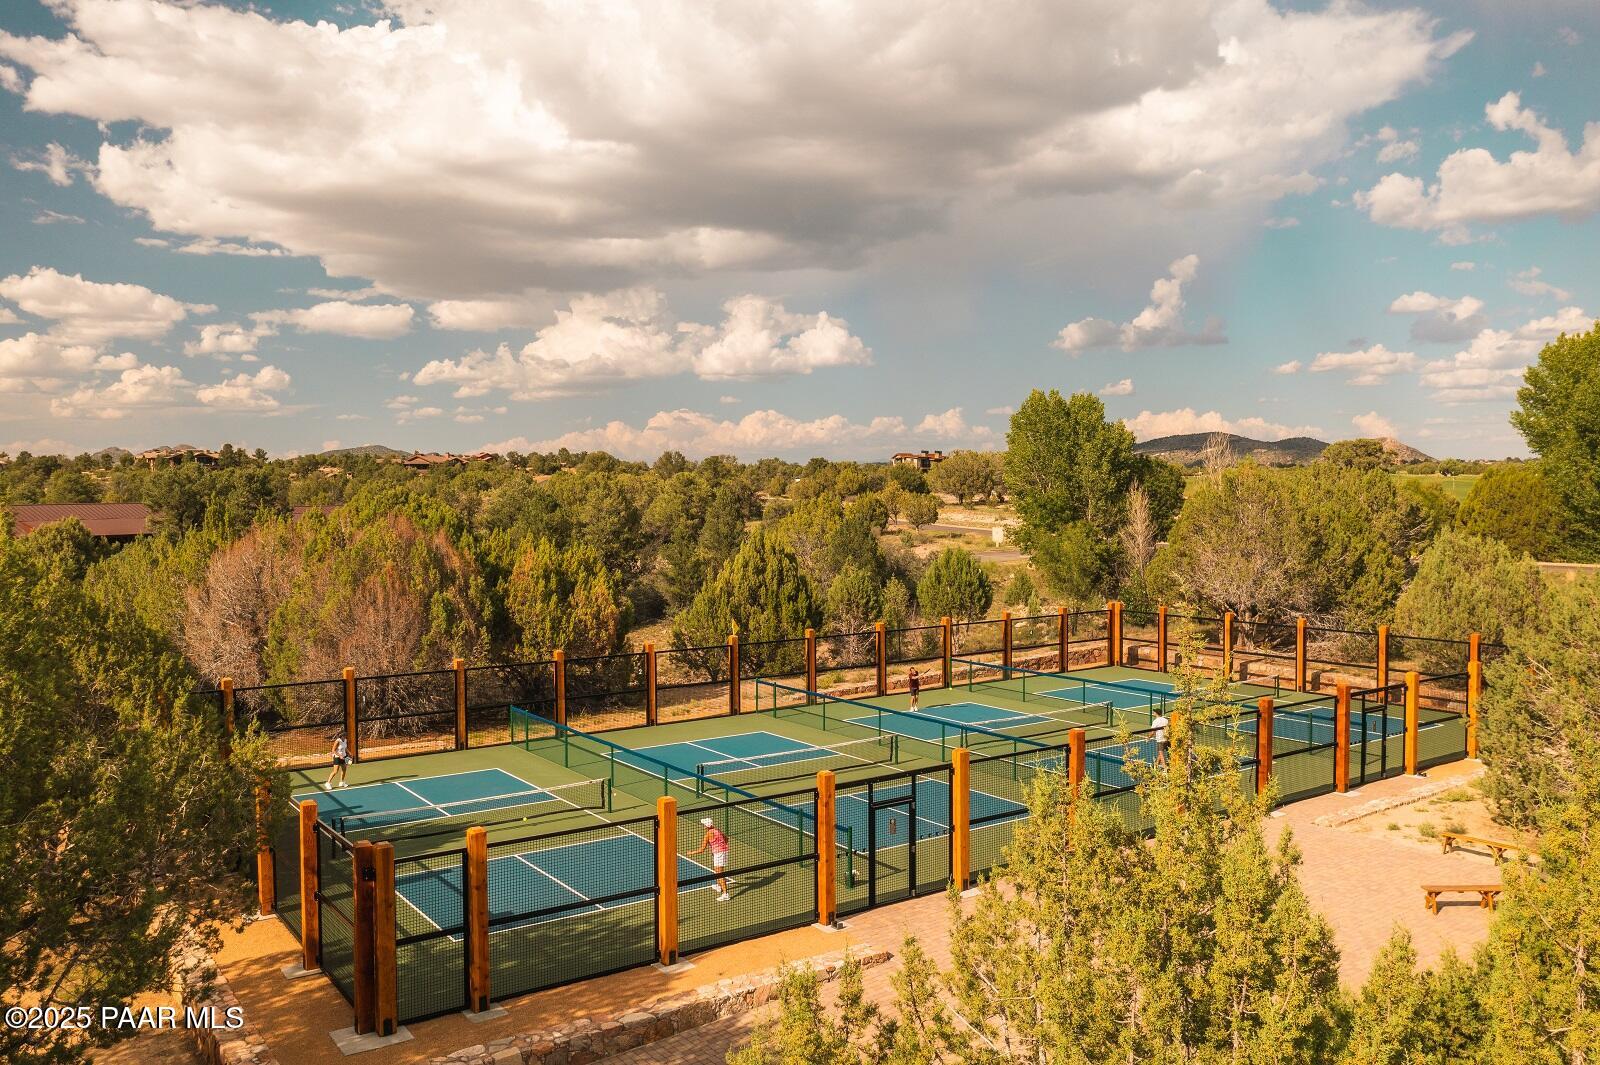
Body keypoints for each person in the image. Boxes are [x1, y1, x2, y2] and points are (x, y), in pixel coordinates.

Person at [690, 816, 732, 901]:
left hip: (719, 854)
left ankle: (725, 894)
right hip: (723, 852)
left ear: (706, 826)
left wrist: (692, 852)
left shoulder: (708, 834)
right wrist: (719, 847)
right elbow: (726, 839)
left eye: (704, 824)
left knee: (719, 874)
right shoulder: (717, 830)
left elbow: (702, 849)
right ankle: (719, 886)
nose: (703, 826)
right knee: (717, 871)